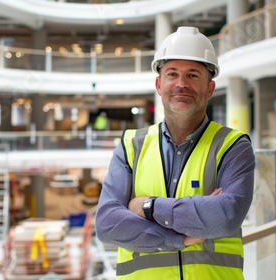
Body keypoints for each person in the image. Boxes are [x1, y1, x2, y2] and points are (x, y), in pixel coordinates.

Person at [95, 26, 255, 279]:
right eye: (172, 74)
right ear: (159, 84)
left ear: (210, 89)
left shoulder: (232, 146)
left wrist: (147, 206)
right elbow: (107, 224)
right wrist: (177, 238)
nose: (181, 83)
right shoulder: (131, 146)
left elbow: (225, 216)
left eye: (193, 75)